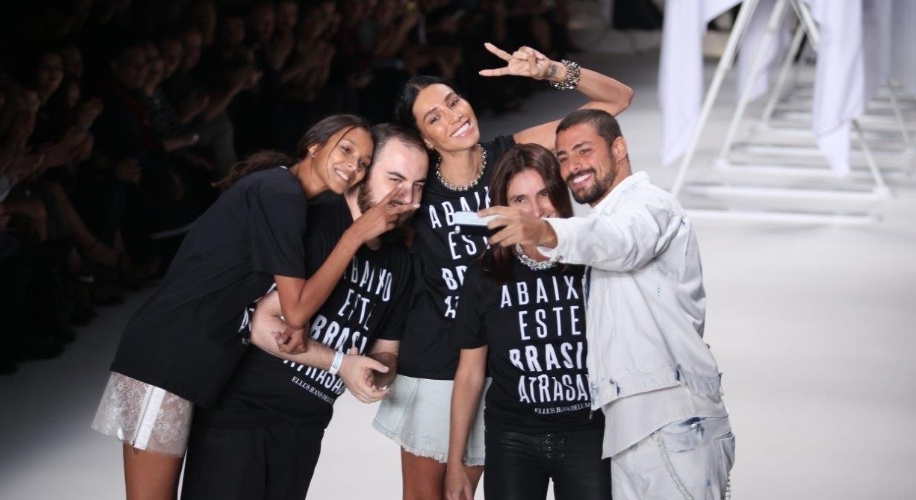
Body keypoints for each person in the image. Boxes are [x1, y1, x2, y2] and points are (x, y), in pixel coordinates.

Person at [91, 114, 416, 500]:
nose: (353, 166)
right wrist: (355, 236)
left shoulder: (289, 197)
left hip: (198, 361)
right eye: (346, 150)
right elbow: (295, 312)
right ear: (315, 145)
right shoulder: (281, 193)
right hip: (168, 354)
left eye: (363, 162)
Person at [373, 42, 632, 499]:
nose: (453, 116)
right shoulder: (418, 188)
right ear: (425, 140)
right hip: (435, 362)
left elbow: (616, 102)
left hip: (506, 362)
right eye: (434, 118)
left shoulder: (510, 158)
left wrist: (551, 70)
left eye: (453, 101)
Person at [482, 109, 735, 500]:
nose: (572, 166)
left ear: (619, 148)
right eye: (562, 157)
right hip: (631, 426)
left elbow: (622, 241)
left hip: (670, 421)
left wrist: (543, 230)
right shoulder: (606, 221)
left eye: (584, 151)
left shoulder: (650, 205)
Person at [179, 123, 429, 500]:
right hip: (243, 415)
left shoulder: (400, 261)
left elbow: (387, 348)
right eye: (394, 178)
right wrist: (340, 364)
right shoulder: (317, 221)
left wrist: (377, 371)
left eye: (418, 185)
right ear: (363, 172)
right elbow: (263, 324)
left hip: (307, 424)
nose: (406, 196)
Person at [445, 143, 612, 500]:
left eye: (544, 194)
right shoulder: (485, 274)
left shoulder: (591, 260)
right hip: (513, 436)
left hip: (589, 432)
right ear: (503, 209)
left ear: (560, 193)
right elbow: (470, 372)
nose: (535, 211)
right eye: (520, 200)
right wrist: (455, 460)